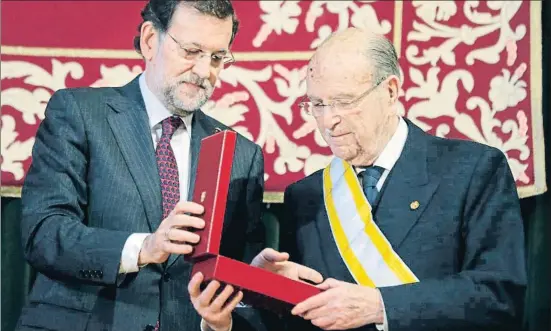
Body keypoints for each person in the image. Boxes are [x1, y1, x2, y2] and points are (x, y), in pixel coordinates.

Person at [189, 27, 527, 331]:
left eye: (344, 102)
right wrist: (243, 304)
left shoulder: (472, 169)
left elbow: (500, 297)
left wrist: (380, 307)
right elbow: (301, 319)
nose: (328, 121)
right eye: (317, 104)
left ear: (391, 91)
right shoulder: (306, 197)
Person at [17, 1, 265, 331]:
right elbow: (44, 234)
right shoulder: (79, 113)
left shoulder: (241, 154)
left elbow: (235, 286)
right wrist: (145, 247)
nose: (205, 71)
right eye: (191, 51)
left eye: (217, 58)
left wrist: (247, 287)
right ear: (150, 40)